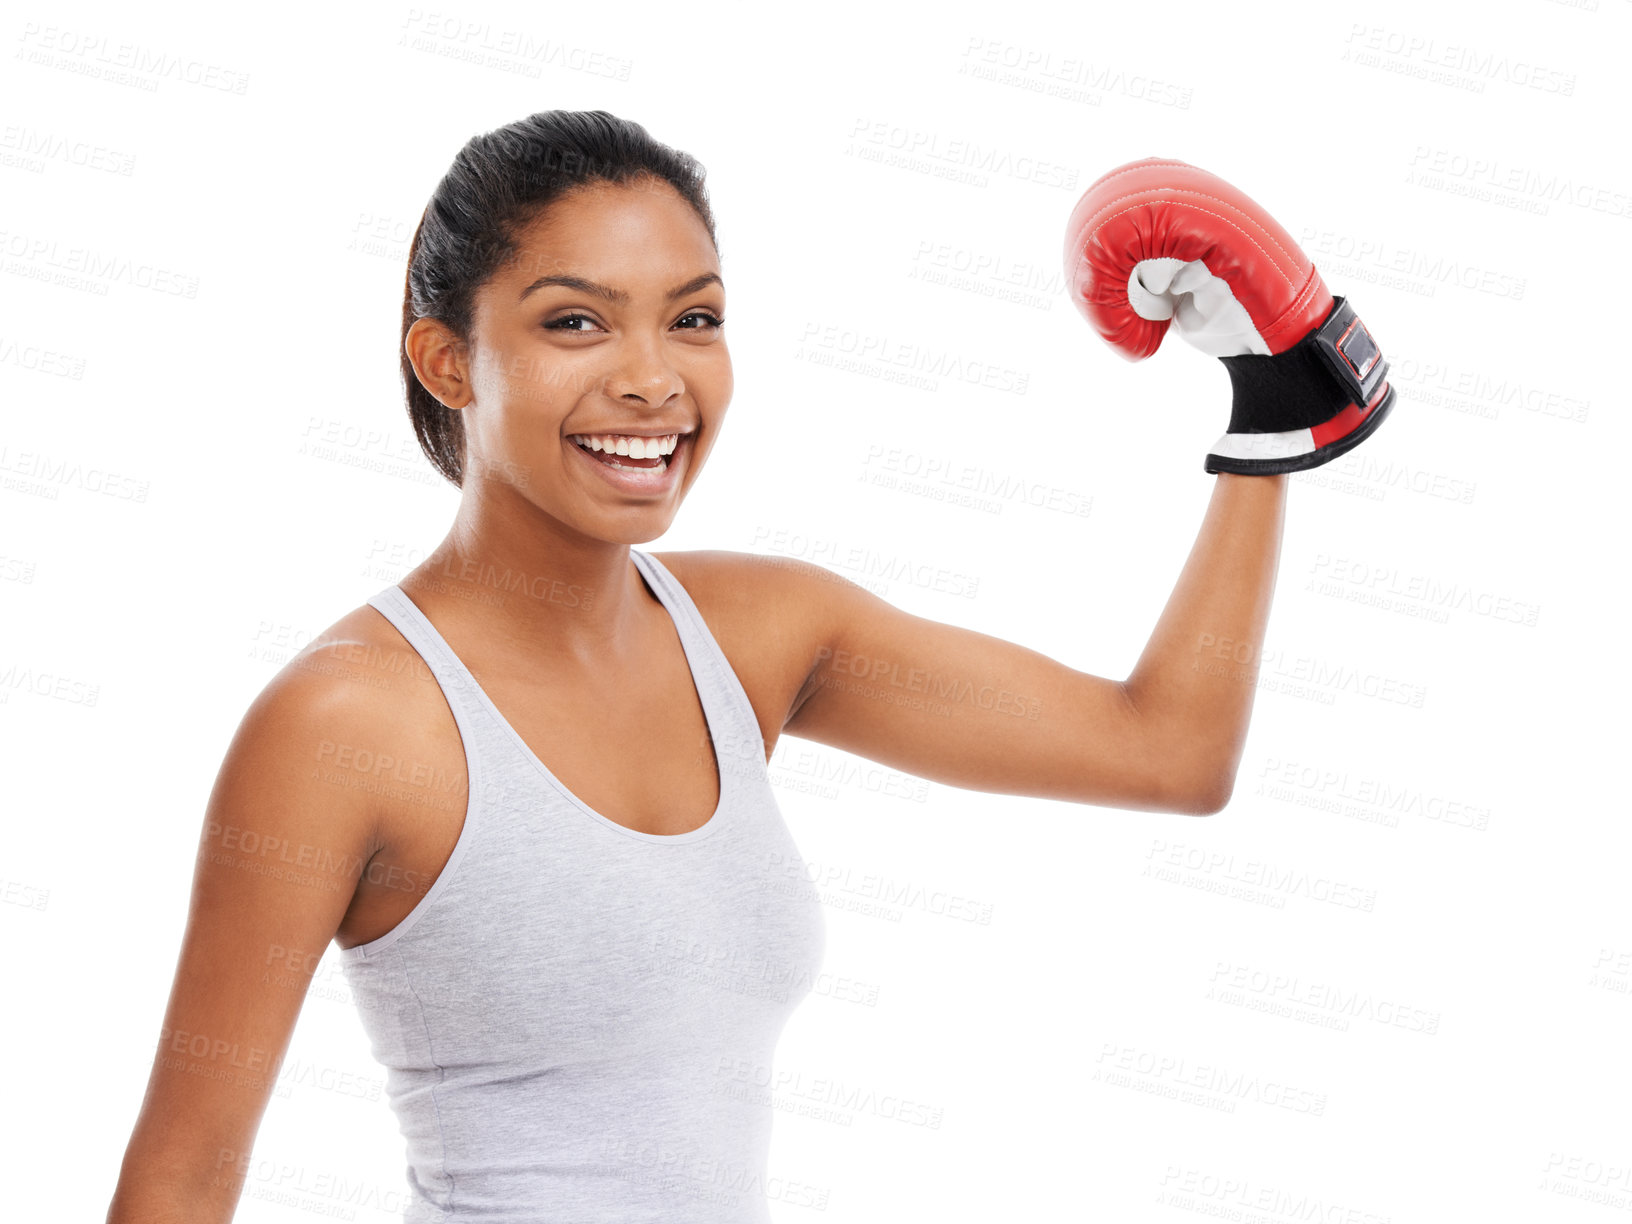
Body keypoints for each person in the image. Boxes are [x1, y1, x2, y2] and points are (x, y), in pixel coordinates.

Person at [105, 112, 1391, 1223]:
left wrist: (1268, 419)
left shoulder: (763, 635)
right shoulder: (349, 719)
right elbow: (180, 1182)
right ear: (448, 359)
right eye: (575, 323)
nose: (653, 381)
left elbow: (1166, 754)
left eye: (695, 319)